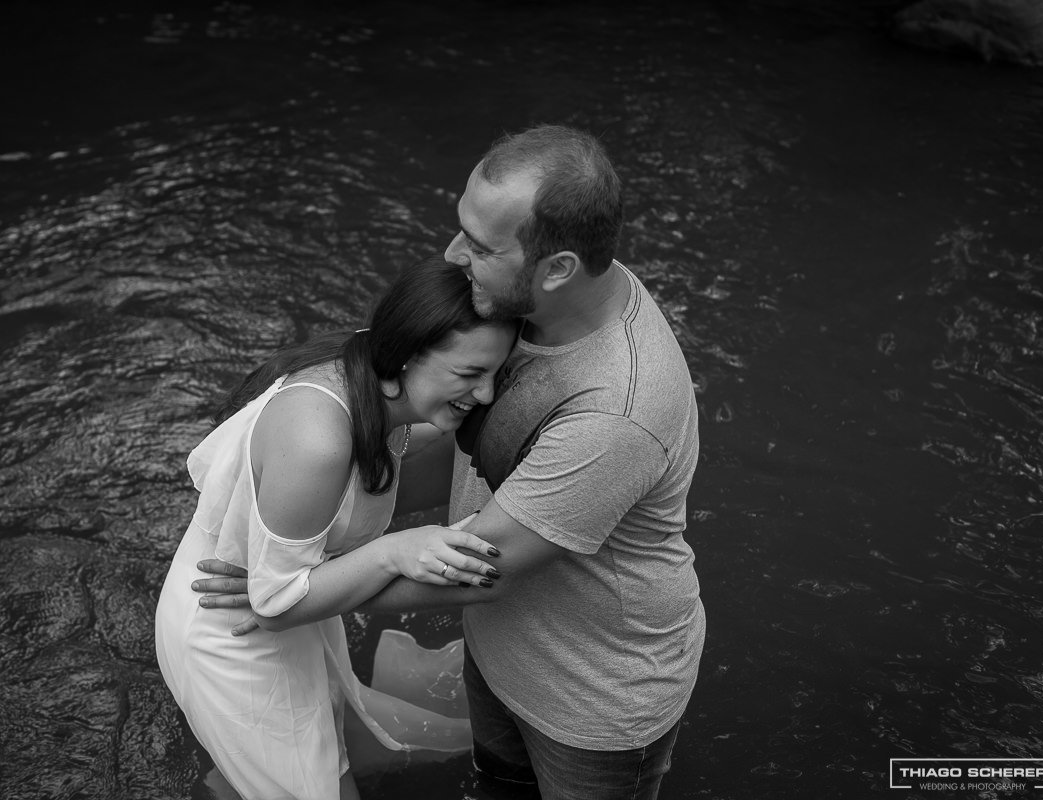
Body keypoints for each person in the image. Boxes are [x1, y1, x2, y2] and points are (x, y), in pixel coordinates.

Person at [196, 124, 705, 800]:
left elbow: (482, 571)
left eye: (481, 247)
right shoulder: (540, 305)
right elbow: (475, 450)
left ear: (557, 269)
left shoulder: (617, 411)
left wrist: (296, 595)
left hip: (592, 698)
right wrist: (293, 522)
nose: (452, 253)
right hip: (500, 654)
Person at [154, 254, 517, 800]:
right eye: (469, 374)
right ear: (404, 357)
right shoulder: (317, 437)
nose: (485, 394)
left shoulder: (372, 367)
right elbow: (273, 604)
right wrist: (394, 551)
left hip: (293, 597)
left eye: (496, 374)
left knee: (295, 765)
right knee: (316, 785)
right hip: (233, 628)